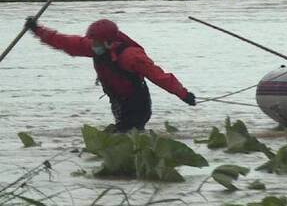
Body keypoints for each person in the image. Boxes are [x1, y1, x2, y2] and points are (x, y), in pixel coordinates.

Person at [24, 17, 196, 132]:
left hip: (137, 103)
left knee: (126, 134)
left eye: (97, 42)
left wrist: (183, 94)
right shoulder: (93, 46)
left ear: (109, 41)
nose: (93, 45)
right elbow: (63, 42)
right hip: (118, 101)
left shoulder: (131, 56)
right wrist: (37, 30)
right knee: (123, 132)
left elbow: (159, 77)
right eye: (93, 41)